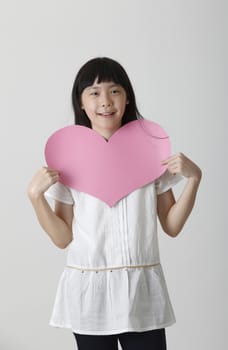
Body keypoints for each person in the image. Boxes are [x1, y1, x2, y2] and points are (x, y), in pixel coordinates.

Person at [27, 57, 202, 350]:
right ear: (81, 102)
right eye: (94, 92)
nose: (105, 101)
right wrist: (35, 197)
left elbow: (171, 225)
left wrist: (194, 179)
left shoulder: (151, 150)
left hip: (141, 294)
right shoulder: (66, 158)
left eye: (114, 90)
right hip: (90, 296)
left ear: (127, 97)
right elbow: (62, 237)